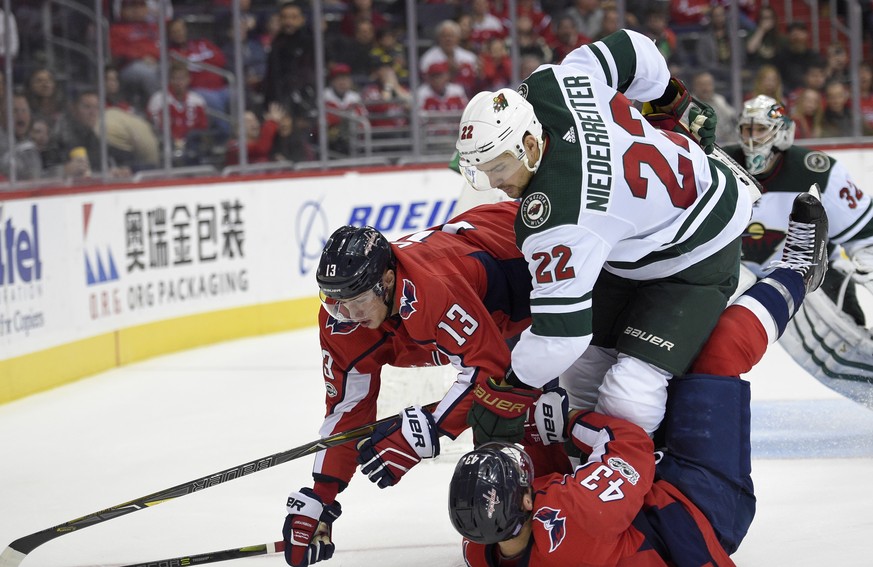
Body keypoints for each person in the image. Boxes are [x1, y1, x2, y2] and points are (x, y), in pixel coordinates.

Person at [448, 187, 830, 565]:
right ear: (528, 502)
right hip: (696, 508)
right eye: (521, 477)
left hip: (635, 500)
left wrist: (518, 417)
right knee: (720, 350)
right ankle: (798, 271)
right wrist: (566, 423)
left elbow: (546, 465)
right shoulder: (574, 521)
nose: (524, 472)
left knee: (600, 353)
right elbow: (630, 445)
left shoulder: (486, 547)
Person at [454, 28, 751, 444]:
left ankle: (636, 473)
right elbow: (632, 47)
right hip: (638, 228)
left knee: (630, 394)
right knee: (583, 373)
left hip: (699, 245)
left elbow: (561, 336)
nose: (495, 182)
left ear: (529, 142)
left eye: (499, 168)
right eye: (482, 172)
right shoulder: (551, 83)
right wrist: (670, 96)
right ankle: (591, 475)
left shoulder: (560, 212)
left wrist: (509, 389)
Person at [280, 202, 572, 567]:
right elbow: (347, 408)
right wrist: (321, 494)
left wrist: (430, 430)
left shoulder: (429, 289)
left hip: (540, 263)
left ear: (386, 281)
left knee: (549, 421)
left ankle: (573, 533)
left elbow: (489, 368)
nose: (349, 316)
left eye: (356, 302)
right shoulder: (342, 323)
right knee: (499, 438)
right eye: (336, 304)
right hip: (498, 320)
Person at [722, 95, 873, 408]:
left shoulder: (817, 171)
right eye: (747, 129)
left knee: (843, 357)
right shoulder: (720, 165)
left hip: (809, 280)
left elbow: (864, 234)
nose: (752, 138)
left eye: (760, 129)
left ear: (783, 132)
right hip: (739, 280)